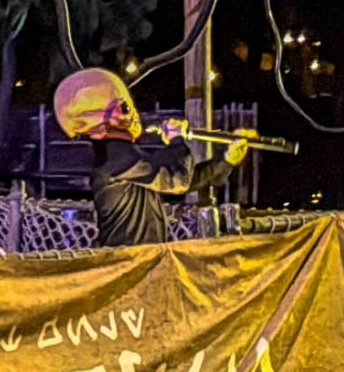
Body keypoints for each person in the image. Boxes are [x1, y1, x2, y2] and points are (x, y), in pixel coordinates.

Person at [52, 68, 250, 249]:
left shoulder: (126, 159)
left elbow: (182, 179)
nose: (134, 114)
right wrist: (176, 140)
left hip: (140, 260)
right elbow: (178, 180)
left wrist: (226, 161)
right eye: (124, 108)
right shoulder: (116, 159)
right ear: (97, 127)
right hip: (130, 264)